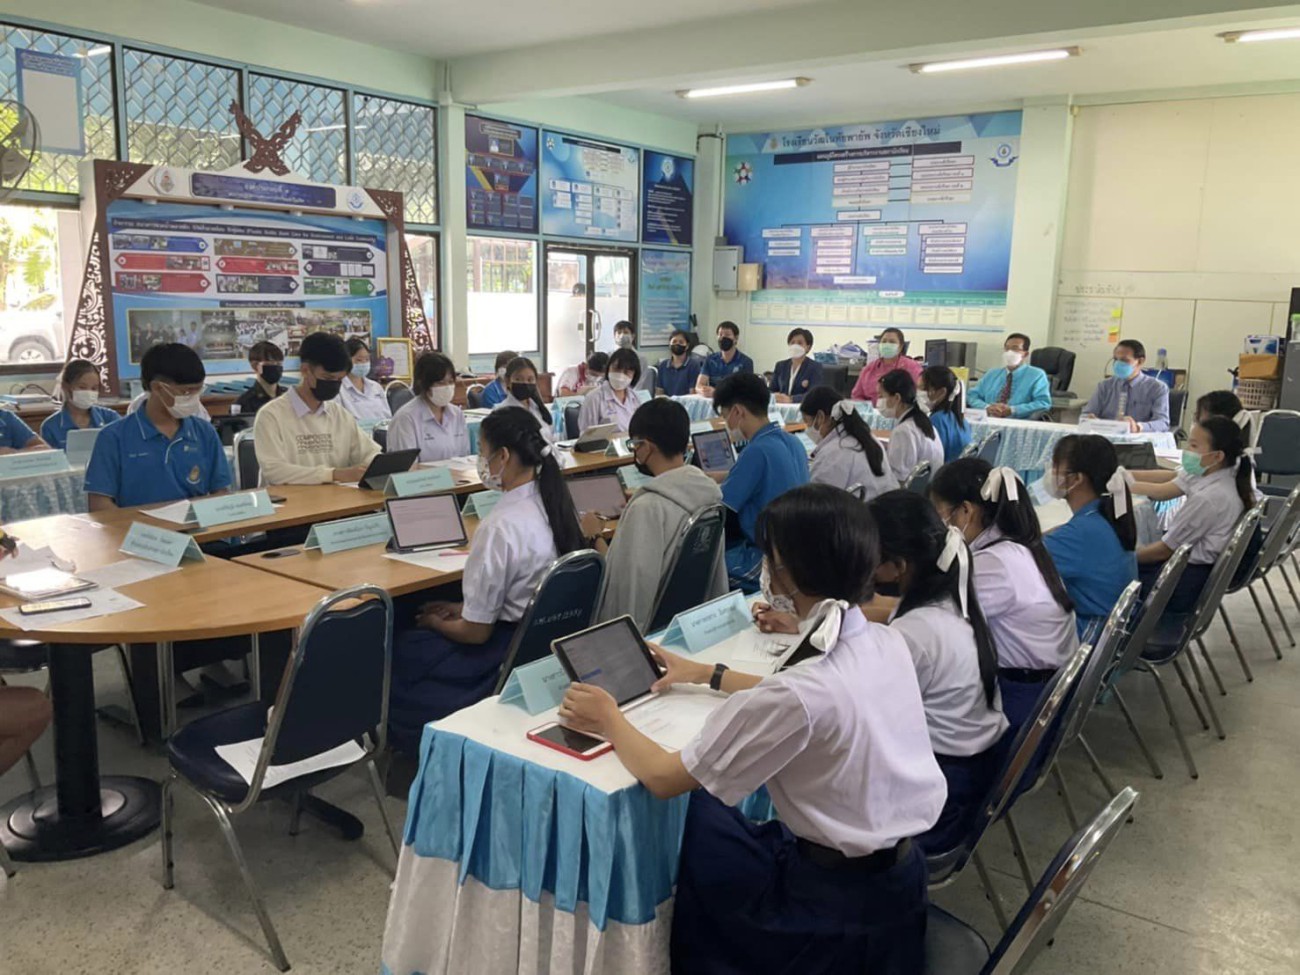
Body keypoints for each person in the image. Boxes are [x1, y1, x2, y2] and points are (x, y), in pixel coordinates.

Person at [559, 484, 946, 975]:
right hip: (900, 883)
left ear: (789, 573)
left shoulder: (803, 691)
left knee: (698, 821)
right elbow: (808, 700)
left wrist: (609, 719)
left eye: (770, 559)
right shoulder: (882, 642)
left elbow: (663, 777)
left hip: (831, 914)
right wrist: (706, 673)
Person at [388, 407, 584, 755]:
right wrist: (463, 607)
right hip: (540, 645)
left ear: (503, 456)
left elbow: (476, 633)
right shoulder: (555, 505)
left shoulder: (499, 525)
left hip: (497, 654)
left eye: (482, 451)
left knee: (405, 646)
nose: (481, 461)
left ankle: (409, 748)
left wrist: (435, 622)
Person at [867, 489, 1009, 855]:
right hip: (972, 773)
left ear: (898, 565)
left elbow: (850, 707)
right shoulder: (951, 598)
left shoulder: (915, 632)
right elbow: (888, 609)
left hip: (939, 801)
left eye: (869, 553)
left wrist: (723, 675)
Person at [930, 458, 1079, 730]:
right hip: (1043, 692)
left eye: (940, 514)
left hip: (1021, 702)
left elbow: (934, 617)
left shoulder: (996, 562)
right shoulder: (1018, 545)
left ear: (966, 510)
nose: (940, 526)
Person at [590, 398, 727, 629]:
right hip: (689, 621)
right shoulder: (708, 494)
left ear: (646, 446)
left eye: (634, 445)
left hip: (649, 632)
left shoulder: (647, 508)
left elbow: (626, 589)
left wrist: (595, 536)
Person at [85, 343, 232, 510]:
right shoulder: (113, 438)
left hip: (195, 524)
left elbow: (221, 492)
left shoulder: (205, 433)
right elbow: (99, 504)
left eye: (198, 391)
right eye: (186, 392)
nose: (194, 398)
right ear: (157, 388)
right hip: (135, 525)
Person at [1132, 417, 1256, 614]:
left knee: (1107, 574)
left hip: (1183, 581)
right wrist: (1126, 477)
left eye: (1194, 445)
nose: (1187, 451)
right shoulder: (1221, 471)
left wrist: (1123, 559)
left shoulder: (1209, 498)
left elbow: (1164, 551)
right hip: (1188, 568)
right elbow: (1164, 489)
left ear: (1217, 456)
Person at [714, 373, 809, 589]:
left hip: (769, 560)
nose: (726, 424)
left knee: (702, 568)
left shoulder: (755, 451)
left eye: (725, 416)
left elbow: (722, 511)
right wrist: (728, 475)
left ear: (738, 411)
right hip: (798, 554)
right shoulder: (793, 442)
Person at [1041, 435, 1139, 641]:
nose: (1051, 473)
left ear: (1076, 479)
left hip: (1088, 636)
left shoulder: (1081, 533)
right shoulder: (1102, 516)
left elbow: (1022, 563)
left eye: (1056, 467)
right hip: (1109, 633)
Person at [253, 331, 381, 484]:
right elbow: (274, 471)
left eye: (339, 379)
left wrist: (381, 465)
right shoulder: (271, 415)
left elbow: (369, 453)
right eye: (328, 378)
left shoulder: (339, 414)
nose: (334, 384)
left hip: (337, 497)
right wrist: (333, 475)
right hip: (288, 498)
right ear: (305, 370)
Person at [799, 385, 896, 498]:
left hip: (859, 508)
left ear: (820, 417)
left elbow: (817, 500)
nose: (807, 428)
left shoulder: (834, 452)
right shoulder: (869, 438)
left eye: (807, 421)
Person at [387, 351, 470, 463]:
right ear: (423, 384)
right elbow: (407, 467)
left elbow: (464, 457)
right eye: (440, 383)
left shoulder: (457, 414)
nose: (447, 387)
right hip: (423, 475)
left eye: (450, 382)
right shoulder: (406, 418)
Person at [1082, 339, 1170, 433]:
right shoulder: (1104, 386)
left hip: (1139, 439)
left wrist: (1138, 427)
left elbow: (1162, 423)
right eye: (1116, 359)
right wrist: (1089, 419)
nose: (1118, 364)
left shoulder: (1157, 388)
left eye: (1124, 360)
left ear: (1140, 361)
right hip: (1105, 437)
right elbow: (1086, 415)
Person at [878, 370, 944, 484]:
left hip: (910, 492)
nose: (878, 401)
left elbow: (898, 480)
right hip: (929, 486)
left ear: (897, 398)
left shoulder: (903, 431)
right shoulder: (922, 422)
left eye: (881, 396)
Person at [40, 358, 120, 450]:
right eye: (82, 387)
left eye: (94, 388)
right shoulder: (50, 426)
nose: (89, 392)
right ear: (66, 387)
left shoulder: (110, 418)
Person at [967, 333, 1052, 419]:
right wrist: (987, 407)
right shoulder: (992, 373)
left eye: (1015, 348)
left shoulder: (1036, 375)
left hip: (1019, 422)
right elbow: (971, 396)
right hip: (987, 420)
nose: (1009, 352)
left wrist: (1013, 410)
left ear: (1025, 354)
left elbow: (1043, 403)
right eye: (1007, 348)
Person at [576, 347, 641, 434]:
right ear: (608, 368)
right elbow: (586, 435)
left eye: (626, 372)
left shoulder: (635, 398)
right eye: (616, 369)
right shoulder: (594, 398)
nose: (620, 376)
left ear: (634, 375)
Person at [850, 327, 923, 404]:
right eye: (884, 341)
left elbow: (920, 394)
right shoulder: (869, 369)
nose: (887, 344)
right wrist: (867, 409)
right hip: (872, 410)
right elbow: (856, 396)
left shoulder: (911, 367)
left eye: (892, 342)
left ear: (900, 346)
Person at [493, 355, 557, 443]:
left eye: (530, 380)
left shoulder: (539, 409)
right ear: (507, 381)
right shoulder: (500, 412)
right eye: (518, 379)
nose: (525, 383)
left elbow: (551, 439)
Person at [920, 365, 971, 462]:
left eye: (923, 389)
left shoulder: (937, 421)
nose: (918, 394)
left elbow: (929, 460)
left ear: (941, 392)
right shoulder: (961, 420)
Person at [339, 337, 392, 422]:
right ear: (346, 360)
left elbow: (387, 417)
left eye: (367, 359)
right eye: (359, 360)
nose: (363, 363)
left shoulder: (376, 387)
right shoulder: (339, 389)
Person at [697, 321, 753, 396]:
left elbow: (748, 389)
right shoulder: (710, 360)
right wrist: (703, 390)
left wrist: (718, 392)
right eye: (720, 335)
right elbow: (699, 385)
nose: (723, 337)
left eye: (727, 335)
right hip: (712, 400)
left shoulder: (746, 362)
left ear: (736, 338)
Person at [769, 328, 824, 404]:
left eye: (800, 343)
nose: (795, 346)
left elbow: (813, 394)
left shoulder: (815, 367)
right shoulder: (780, 366)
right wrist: (775, 396)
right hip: (780, 407)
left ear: (808, 347)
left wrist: (792, 399)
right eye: (792, 342)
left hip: (802, 407)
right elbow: (771, 390)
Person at [234, 340, 286, 416]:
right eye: (271, 363)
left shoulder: (289, 397)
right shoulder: (244, 403)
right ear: (255, 366)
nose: (276, 367)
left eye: (279, 363)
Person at [656, 328, 702, 396]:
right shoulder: (663, 365)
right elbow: (659, 391)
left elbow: (693, 393)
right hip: (666, 402)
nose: (677, 344)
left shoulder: (693, 365)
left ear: (687, 346)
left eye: (681, 342)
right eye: (674, 341)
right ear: (669, 345)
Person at [612, 320, 654, 392]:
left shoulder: (641, 358)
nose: (622, 335)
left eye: (626, 332)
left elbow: (640, 382)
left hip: (634, 394)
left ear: (633, 336)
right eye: (619, 333)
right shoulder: (610, 356)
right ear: (614, 336)